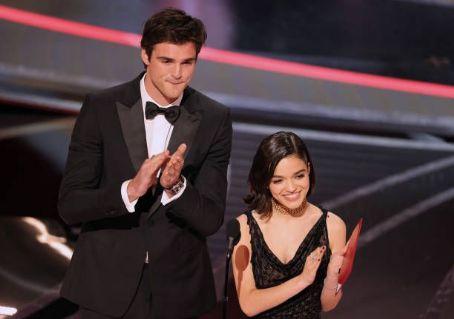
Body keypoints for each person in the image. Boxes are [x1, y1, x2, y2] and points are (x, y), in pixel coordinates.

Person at [58, 8, 232, 319]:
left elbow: (210, 219)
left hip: (179, 293)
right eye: (167, 61)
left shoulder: (214, 119)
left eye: (187, 63)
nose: (177, 74)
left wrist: (177, 187)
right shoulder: (101, 108)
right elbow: (71, 205)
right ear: (145, 55)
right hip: (105, 289)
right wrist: (130, 190)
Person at [232, 131, 346, 318]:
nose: (291, 188)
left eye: (299, 176)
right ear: (266, 182)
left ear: (308, 169)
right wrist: (302, 280)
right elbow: (249, 304)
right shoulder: (244, 227)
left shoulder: (333, 226)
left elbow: (327, 305)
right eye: (278, 180)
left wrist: (332, 278)